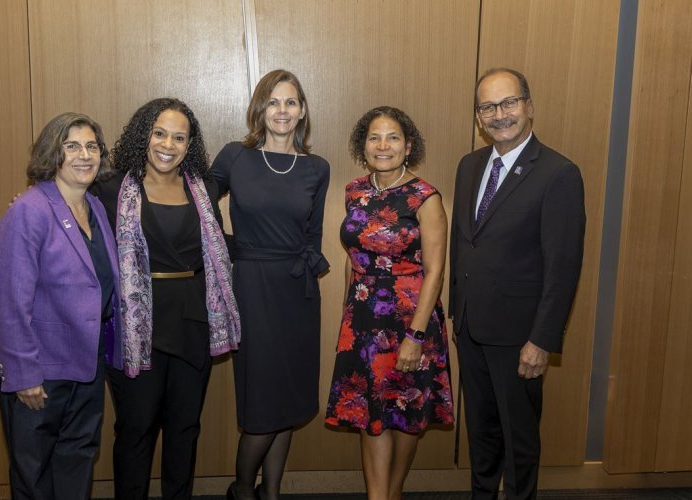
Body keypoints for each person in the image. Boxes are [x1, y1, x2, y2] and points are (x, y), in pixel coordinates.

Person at [449, 68, 585, 499]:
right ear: (478, 116)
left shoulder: (558, 173)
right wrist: (458, 310)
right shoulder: (470, 166)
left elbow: (563, 266)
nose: (499, 114)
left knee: (519, 440)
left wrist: (541, 340)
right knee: (481, 434)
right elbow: (463, 243)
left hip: (519, 336)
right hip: (471, 325)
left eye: (508, 103)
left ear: (529, 106)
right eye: (487, 107)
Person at [95, 98, 240, 500]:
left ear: (189, 144)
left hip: (192, 321)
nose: (168, 144)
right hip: (135, 327)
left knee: (184, 428)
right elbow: (70, 213)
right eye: (160, 133)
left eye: (179, 137)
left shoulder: (204, 189)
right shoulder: (110, 189)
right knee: (136, 429)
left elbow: (218, 248)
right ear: (144, 135)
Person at [0, 112, 120, 499]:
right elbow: (10, 302)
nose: (85, 155)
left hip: (85, 363)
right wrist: (24, 374)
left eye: (92, 146)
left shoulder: (94, 207)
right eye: (72, 146)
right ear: (53, 153)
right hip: (39, 371)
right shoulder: (29, 211)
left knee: (77, 459)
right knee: (35, 475)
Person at [211, 69, 330, 500]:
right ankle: (242, 490)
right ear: (260, 109)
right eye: (274, 102)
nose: (283, 110)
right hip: (252, 288)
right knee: (263, 402)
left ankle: (271, 492)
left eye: (291, 102)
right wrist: (235, 247)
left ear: (302, 112)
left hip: (298, 293)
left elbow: (313, 236)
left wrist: (309, 276)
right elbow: (198, 209)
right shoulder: (234, 157)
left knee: (291, 399)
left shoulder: (317, 167)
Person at [325, 106, 454, 500]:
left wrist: (416, 335)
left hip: (410, 317)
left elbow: (435, 271)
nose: (384, 145)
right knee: (371, 414)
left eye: (393, 137)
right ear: (363, 146)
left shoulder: (424, 197)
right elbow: (355, 259)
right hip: (363, 318)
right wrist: (347, 323)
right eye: (375, 137)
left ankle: (392, 493)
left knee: (407, 411)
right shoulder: (355, 191)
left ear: (408, 145)